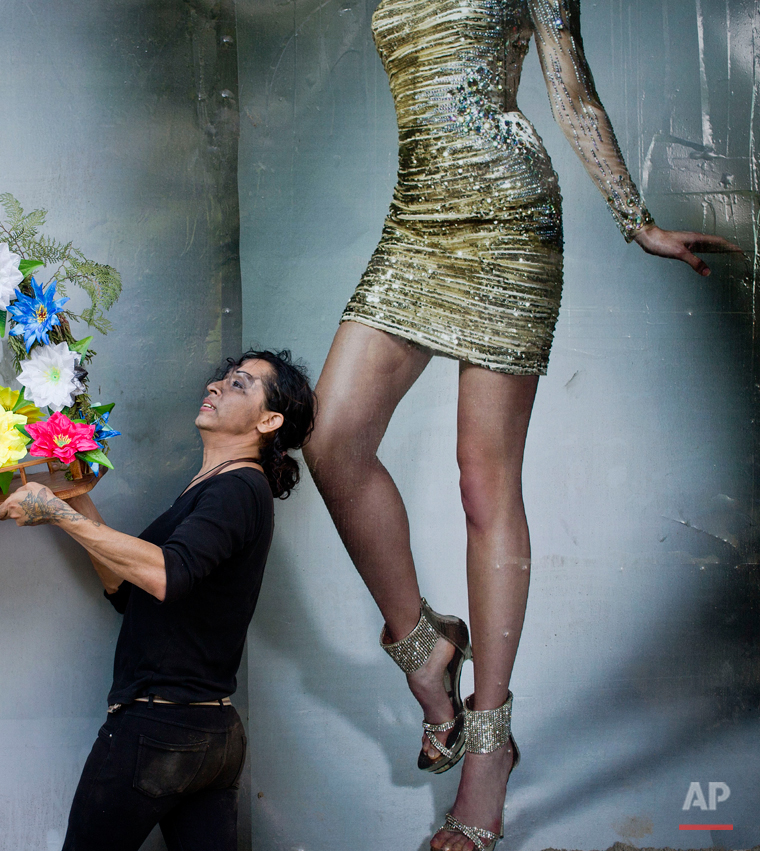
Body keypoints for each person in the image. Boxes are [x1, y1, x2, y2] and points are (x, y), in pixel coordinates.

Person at [301, 2, 741, 850]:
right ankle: (426, 649)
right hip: (415, 220)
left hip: (508, 214)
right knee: (332, 439)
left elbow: (569, 90)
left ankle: (489, 746)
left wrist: (634, 218)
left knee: (483, 480)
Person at [0, 350, 316, 851]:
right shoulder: (211, 488)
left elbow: (166, 574)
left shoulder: (238, 488)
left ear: (269, 421)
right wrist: (73, 491)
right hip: (209, 735)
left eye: (239, 385)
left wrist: (55, 513)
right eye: (222, 378)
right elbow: (128, 589)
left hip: (160, 729)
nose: (215, 386)